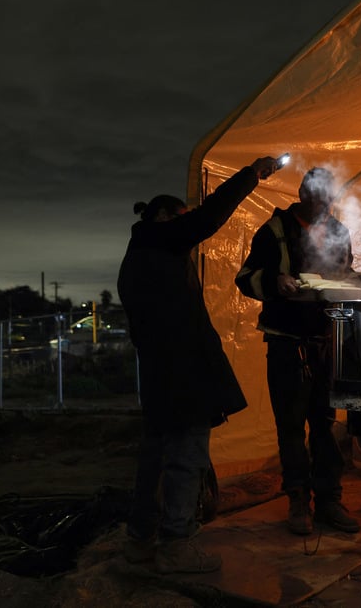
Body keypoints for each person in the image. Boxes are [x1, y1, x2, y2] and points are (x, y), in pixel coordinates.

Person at [117, 155, 282, 574]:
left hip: (160, 373)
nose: (187, 229)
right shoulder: (158, 241)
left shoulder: (142, 254)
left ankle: (140, 539)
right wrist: (252, 175)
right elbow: (208, 219)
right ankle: (177, 543)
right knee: (187, 455)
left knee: (155, 456)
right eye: (181, 219)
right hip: (182, 373)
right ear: (163, 217)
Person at [235, 166, 361, 536]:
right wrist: (273, 280)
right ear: (303, 194)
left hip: (326, 341)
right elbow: (244, 277)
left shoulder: (338, 232)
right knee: (291, 426)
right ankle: (298, 501)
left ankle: (330, 500)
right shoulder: (275, 231)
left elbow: (343, 275)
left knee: (326, 426)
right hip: (286, 341)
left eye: (330, 198)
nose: (326, 205)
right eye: (319, 198)